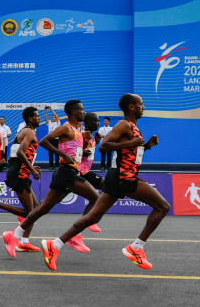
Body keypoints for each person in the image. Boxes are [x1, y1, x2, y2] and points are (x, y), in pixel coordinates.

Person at [40, 93, 169, 272]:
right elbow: (104, 146)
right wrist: (133, 142)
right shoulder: (124, 124)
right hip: (125, 178)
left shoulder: (131, 126)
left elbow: (129, 152)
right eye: (141, 104)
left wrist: (146, 146)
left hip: (118, 176)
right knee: (163, 207)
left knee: (93, 216)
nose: (144, 108)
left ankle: (55, 244)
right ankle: (136, 248)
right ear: (132, 107)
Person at [1, 101, 97, 258]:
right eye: (82, 110)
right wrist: (62, 155)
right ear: (74, 112)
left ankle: (16, 235)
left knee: (41, 208)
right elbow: (44, 142)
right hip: (65, 173)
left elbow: (76, 150)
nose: (84, 112)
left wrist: (82, 144)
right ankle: (73, 236)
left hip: (69, 172)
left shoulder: (78, 131)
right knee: (96, 198)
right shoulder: (65, 127)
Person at [0, 107, 42, 252]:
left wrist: (31, 166)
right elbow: (21, 152)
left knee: (36, 209)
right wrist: (31, 169)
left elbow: (11, 156)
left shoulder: (23, 132)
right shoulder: (29, 132)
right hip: (19, 174)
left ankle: (24, 241)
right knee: (30, 213)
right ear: (30, 119)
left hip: (21, 172)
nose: (39, 118)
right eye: (37, 116)